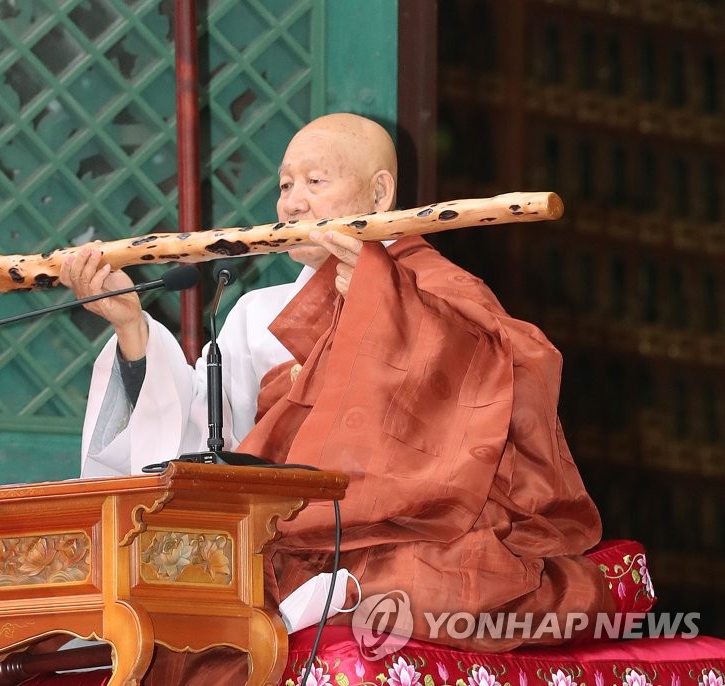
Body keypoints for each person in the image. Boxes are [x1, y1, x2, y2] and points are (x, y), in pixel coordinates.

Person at [60, 113, 614, 678]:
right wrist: (133, 330)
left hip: (409, 538)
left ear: (380, 192)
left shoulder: (442, 292)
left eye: (315, 182)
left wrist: (387, 309)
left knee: (424, 582)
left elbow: (511, 390)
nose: (292, 204)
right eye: (284, 185)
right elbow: (204, 444)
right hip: (277, 545)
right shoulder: (258, 312)